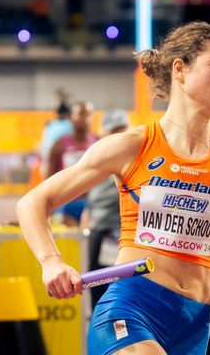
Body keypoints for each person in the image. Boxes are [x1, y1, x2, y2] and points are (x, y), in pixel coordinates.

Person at [16, 21, 210, 355]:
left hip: (194, 322)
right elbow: (33, 203)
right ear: (180, 70)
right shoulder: (130, 146)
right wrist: (52, 261)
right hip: (132, 307)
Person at [80, 108, 130, 309]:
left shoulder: (135, 157)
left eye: (121, 130)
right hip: (100, 234)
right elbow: (90, 200)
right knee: (99, 292)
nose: (117, 135)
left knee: (119, 293)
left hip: (120, 235)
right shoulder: (97, 157)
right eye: (113, 131)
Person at [46, 101, 97, 226]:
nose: (85, 118)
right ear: (71, 118)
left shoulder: (98, 142)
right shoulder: (59, 145)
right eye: (80, 114)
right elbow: (49, 178)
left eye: (88, 114)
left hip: (92, 204)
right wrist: (48, 208)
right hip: (66, 204)